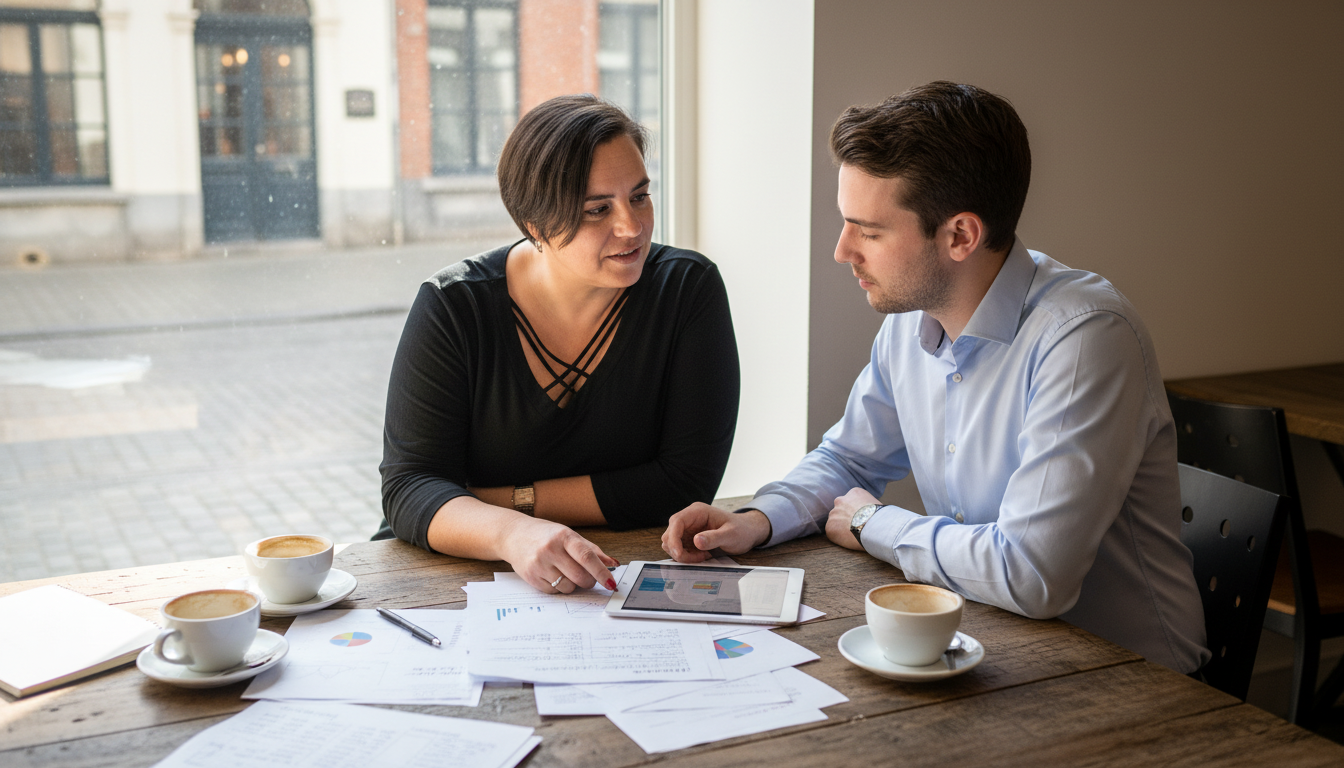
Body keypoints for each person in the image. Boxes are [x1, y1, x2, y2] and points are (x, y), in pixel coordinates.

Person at [661, 81, 1209, 674]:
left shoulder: (1085, 338)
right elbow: (847, 461)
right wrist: (756, 520)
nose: (842, 251)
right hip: (993, 645)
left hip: (1130, 679)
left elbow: (1032, 576)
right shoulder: (912, 320)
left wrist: (873, 522)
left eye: (868, 231)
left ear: (960, 236)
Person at [378, 94, 740, 596]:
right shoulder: (455, 307)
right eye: (597, 209)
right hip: (455, 577)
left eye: (639, 196)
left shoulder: (686, 289)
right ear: (535, 226)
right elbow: (408, 490)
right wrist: (512, 532)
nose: (631, 227)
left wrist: (492, 502)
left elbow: (683, 484)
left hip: (624, 575)